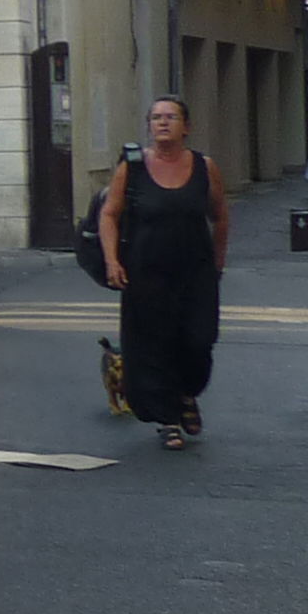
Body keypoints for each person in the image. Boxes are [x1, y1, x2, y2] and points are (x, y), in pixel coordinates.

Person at [97, 95, 228, 450]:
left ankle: (187, 392)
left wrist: (218, 262)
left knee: (199, 341)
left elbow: (219, 215)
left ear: (186, 126)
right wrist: (112, 261)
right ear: (149, 126)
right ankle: (169, 419)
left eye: (171, 117)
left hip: (195, 273)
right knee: (154, 347)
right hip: (147, 273)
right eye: (156, 118)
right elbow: (109, 214)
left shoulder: (205, 167)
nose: (163, 123)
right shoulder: (133, 167)